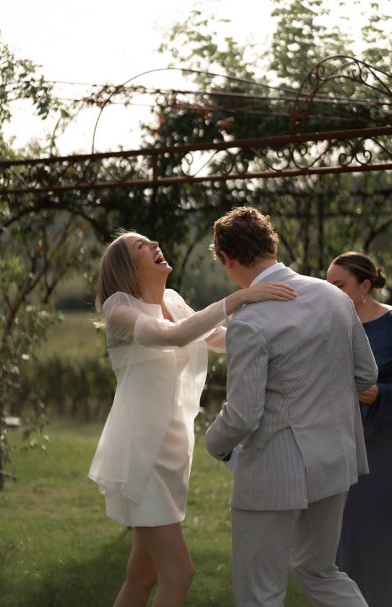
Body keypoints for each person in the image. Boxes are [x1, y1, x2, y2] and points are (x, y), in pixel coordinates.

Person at [88, 229, 297, 607]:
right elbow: (173, 336)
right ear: (126, 268)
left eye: (154, 241)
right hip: (141, 456)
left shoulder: (173, 299)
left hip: (172, 452)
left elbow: (214, 337)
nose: (155, 245)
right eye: (141, 246)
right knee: (178, 574)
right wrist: (241, 296)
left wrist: (278, 337)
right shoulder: (119, 309)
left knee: (143, 574)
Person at [205, 206, 378, 607]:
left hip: (273, 472)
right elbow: (365, 374)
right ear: (272, 243)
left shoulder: (249, 321)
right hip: (335, 460)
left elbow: (243, 414)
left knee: (259, 592)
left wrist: (215, 443)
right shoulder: (335, 296)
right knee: (321, 572)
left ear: (227, 260)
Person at [327, 251, 392, 607]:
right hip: (339, 450)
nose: (331, 293)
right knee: (342, 541)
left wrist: (380, 394)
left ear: (365, 286)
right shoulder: (332, 327)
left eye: (339, 285)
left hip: (383, 452)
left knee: (378, 538)